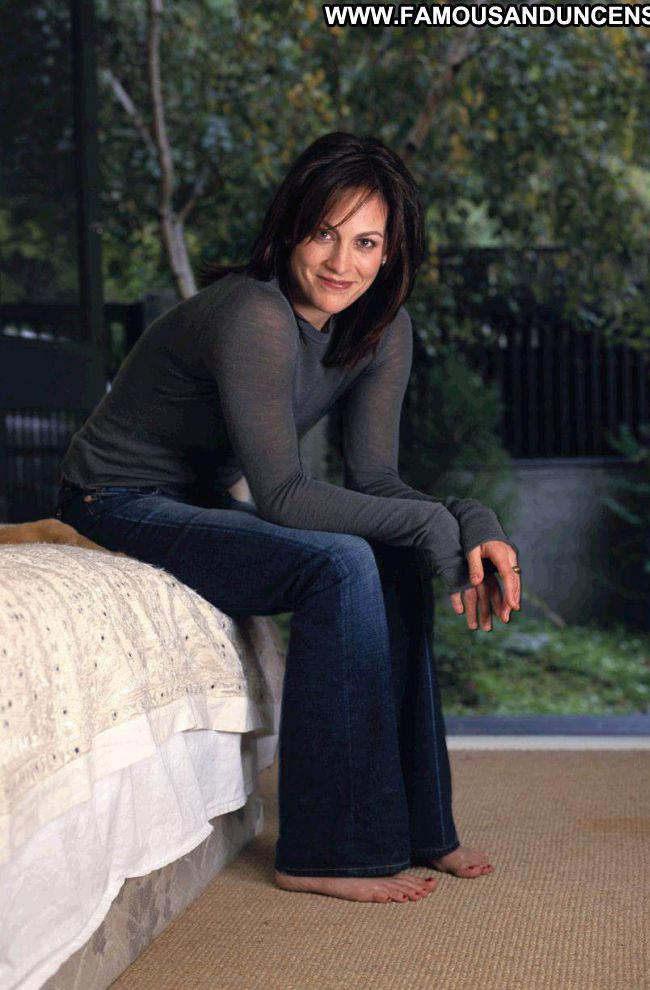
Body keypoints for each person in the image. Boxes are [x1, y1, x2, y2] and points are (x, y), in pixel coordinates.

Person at [54, 131, 522, 904]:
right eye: (323, 234)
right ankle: (325, 851)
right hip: (117, 500)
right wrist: (435, 528)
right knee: (337, 562)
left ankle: (420, 826)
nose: (342, 262)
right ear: (290, 230)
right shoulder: (254, 313)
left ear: (391, 252)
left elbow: (377, 481)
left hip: (199, 502)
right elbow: (282, 496)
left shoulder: (382, 327)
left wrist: (472, 518)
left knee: (389, 549)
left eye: (366, 242)